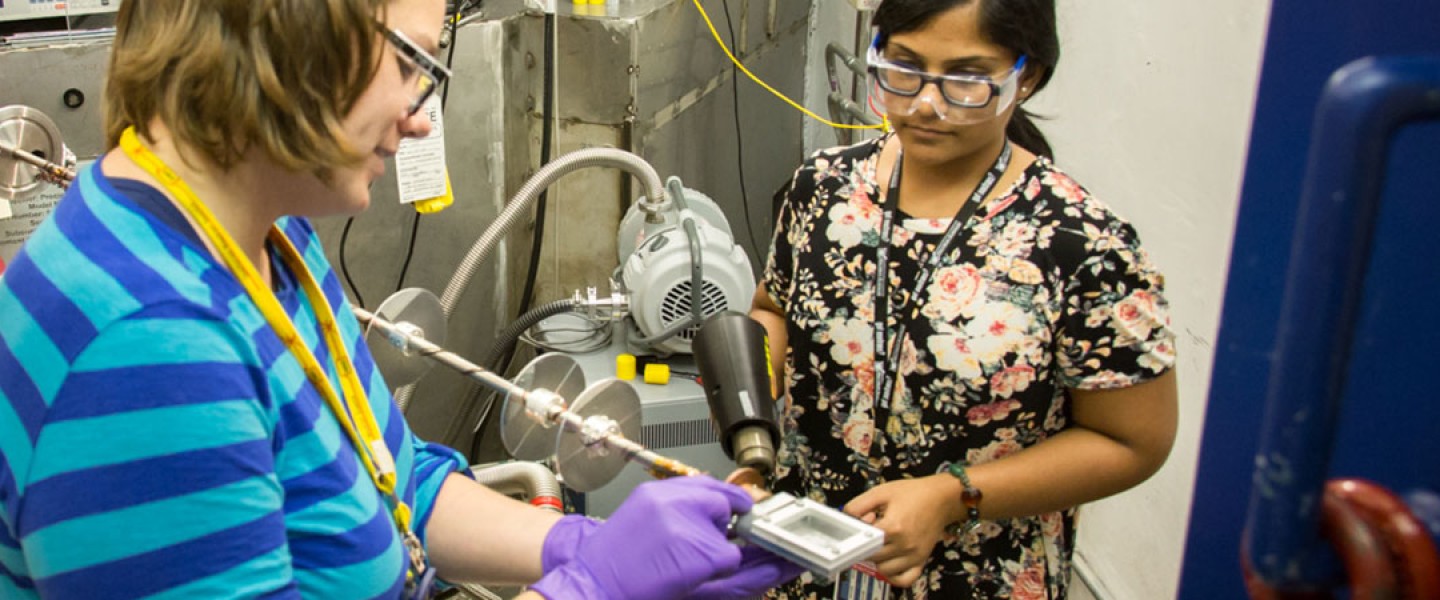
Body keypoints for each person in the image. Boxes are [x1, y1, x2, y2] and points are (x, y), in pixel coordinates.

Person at [0, 0, 800, 598]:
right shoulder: (149, 349)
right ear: (287, 31)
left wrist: (581, 546)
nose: (422, 117)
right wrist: (595, 591)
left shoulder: (265, 233)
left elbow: (390, 476)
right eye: (410, 65)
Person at [750, 0, 1178, 597]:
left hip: (976, 573)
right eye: (903, 68)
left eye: (967, 81)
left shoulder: (1084, 245)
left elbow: (1131, 441)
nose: (925, 103)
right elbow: (772, 312)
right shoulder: (822, 189)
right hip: (807, 557)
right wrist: (751, 440)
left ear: (1025, 77)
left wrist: (954, 496)